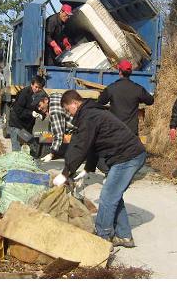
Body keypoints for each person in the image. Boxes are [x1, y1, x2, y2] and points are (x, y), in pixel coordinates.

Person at [52, 90, 147, 248]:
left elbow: (80, 146)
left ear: (74, 104)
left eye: (68, 109)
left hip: (128, 156)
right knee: (114, 195)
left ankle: (101, 237)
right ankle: (124, 236)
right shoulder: (90, 113)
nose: (69, 113)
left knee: (108, 196)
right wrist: (88, 169)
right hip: (125, 155)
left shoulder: (89, 116)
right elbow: (92, 147)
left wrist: (66, 172)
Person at [97, 59, 154, 135]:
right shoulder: (138, 89)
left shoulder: (111, 88)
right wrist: (138, 100)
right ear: (130, 72)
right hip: (131, 133)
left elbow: (100, 101)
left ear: (120, 72)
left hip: (115, 132)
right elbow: (150, 101)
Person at [31, 91, 76, 162]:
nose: (39, 108)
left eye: (39, 105)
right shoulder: (53, 96)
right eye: (37, 106)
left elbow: (59, 135)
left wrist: (51, 154)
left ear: (46, 100)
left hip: (82, 129)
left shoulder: (54, 113)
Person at [8, 75, 45, 151]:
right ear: (32, 84)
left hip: (26, 126)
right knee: (17, 150)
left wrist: (42, 114)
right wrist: (31, 113)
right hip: (16, 124)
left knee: (28, 148)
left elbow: (44, 107)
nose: (37, 89)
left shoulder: (42, 95)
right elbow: (18, 110)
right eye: (36, 87)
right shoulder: (24, 93)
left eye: (40, 88)